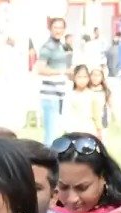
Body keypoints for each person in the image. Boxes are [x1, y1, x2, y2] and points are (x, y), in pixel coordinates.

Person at [36, 17, 73, 146]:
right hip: (50, 94)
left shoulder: (62, 46)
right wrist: (63, 71)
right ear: (50, 29)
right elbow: (40, 68)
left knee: (59, 132)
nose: (58, 30)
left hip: (61, 93)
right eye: (55, 27)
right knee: (51, 135)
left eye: (60, 28)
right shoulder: (47, 46)